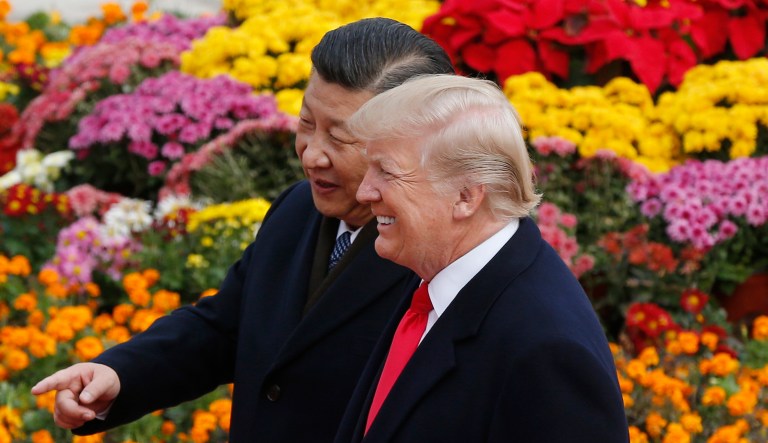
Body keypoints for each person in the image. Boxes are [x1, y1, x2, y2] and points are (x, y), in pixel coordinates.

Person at [30, 18, 455, 442]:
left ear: (412, 141)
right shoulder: (296, 210)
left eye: (340, 139)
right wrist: (118, 375)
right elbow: (225, 327)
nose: (312, 156)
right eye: (307, 123)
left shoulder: (439, 254)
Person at [333, 75, 629, 442]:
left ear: (465, 197)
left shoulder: (547, 350)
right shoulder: (433, 271)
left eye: (386, 172)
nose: (364, 192)